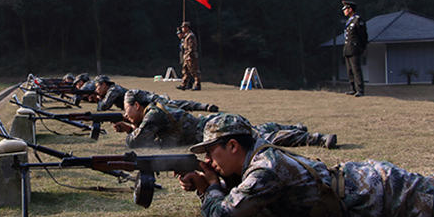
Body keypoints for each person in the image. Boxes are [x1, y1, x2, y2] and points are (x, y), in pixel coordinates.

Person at [179, 114, 434, 217]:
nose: (208, 160)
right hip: (368, 181)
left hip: (384, 193)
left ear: (233, 146)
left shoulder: (265, 169)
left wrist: (209, 187)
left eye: (211, 152)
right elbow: (243, 196)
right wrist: (213, 186)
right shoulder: (258, 159)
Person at [115, 90, 337, 149]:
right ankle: (295, 128)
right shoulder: (157, 107)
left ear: (137, 105)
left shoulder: (152, 114)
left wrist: (130, 130)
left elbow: (136, 142)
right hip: (211, 124)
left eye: (127, 109)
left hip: (213, 129)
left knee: (259, 137)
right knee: (257, 129)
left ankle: (315, 138)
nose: (126, 114)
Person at [342, 1, 368, 97]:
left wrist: (362, 47)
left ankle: (360, 90)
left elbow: (363, 35)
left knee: (356, 69)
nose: (344, 11)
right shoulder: (349, 21)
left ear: (350, 9)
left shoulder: (358, 20)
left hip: (355, 48)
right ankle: (353, 89)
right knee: (349, 70)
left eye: (345, 9)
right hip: (348, 48)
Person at [176, 21, 202, 91]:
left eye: (183, 28)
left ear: (187, 28)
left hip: (191, 55)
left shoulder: (191, 36)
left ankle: (197, 85)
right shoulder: (186, 35)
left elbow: (191, 47)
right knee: (185, 71)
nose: (182, 29)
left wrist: (190, 56)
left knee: (194, 71)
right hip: (186, 55)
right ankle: (184, 84)